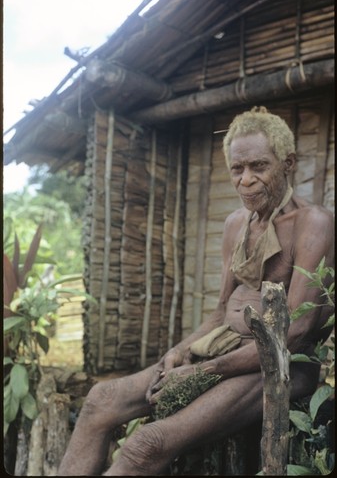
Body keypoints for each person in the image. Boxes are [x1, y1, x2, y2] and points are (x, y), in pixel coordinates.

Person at [58, 106, 334, 476]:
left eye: (259, 167)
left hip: (275, 367)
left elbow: (294, 334)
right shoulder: (237, 224)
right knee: (99, 400)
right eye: (238, 169)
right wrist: (180, 352)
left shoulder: (312, 223)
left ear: (288, 163)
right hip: (220, 349)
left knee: (145, 446)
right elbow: (221, 312)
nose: (246, 180)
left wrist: (205, 371)